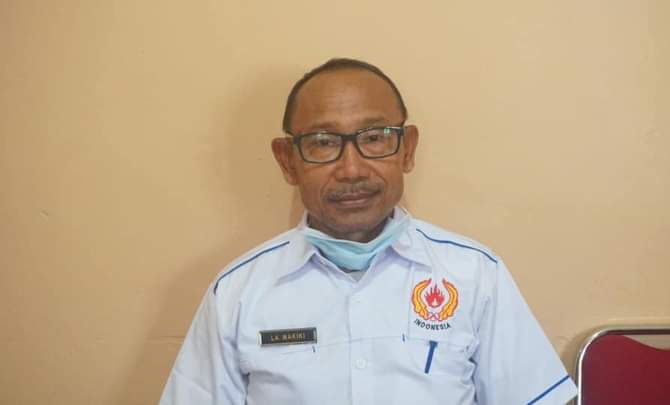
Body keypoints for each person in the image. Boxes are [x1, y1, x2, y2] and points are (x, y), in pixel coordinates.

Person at [159, 58, 577, 405]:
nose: (352, 169)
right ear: (288, 161)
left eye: (374, 138)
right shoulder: (236, 293)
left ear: (407, 149)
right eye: (324, 142)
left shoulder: (475, 275)